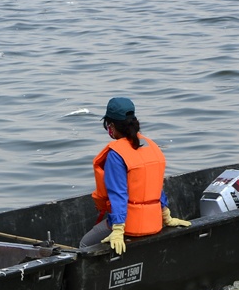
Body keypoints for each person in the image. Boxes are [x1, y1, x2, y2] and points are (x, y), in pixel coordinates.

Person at [78, 98, 190, 254]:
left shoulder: (116, 154)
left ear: (111, 126)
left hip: (129, 226)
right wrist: (166, 217)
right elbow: (156, 188)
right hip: (154, 223)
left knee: (85, 245)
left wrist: (118, 229)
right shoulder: (151, 146)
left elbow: (118, 194)